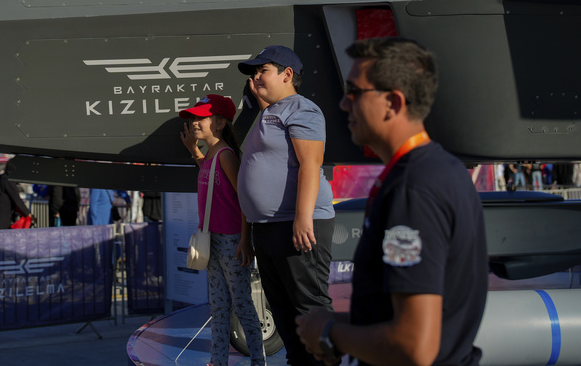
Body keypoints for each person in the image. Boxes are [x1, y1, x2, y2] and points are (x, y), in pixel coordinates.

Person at [295, 37, 487, 366]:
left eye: (354, 92)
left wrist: (329, 332)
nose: (343, 104)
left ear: (393, 103)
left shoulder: (414, 189)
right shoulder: (437, 170)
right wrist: (338, 328)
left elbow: (414, 347)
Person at [235, 45, 334, 366]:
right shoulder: (269, 113)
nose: (256, 77)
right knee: (282, 308)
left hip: (297, 224)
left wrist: (303, 217)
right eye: (254, 73)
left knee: (309, 307)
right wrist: (246, 236)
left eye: (262, 70)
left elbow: (310, 163)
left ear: (287, 74)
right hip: (267, 228)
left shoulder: (302, 109)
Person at [179, 94, 265, 366]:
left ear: (219, 123)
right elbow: (207, 169)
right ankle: (218, 361)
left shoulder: (226, 156)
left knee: (241, 305)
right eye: (193, 117)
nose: (194, 123)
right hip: (213, 240)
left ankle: (258, 360)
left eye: (200, 117)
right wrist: (194, 150)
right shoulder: (210, 156)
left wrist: (244, 239)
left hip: (230, 241)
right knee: (218, 307)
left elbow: (244, 200)